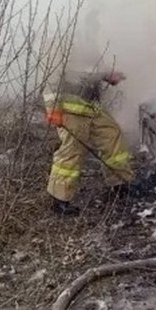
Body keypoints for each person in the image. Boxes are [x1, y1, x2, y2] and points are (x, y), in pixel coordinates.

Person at [44, 69, 136, 216]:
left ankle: (120, 183)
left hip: (91, 106)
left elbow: (90, 68)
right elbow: (51, 73)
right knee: (72, 150)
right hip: (70, 107)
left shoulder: (87, 46)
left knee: (112, 135)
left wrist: (106, 75)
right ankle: (59, 200)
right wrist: (53, 108)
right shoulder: (60, 45)